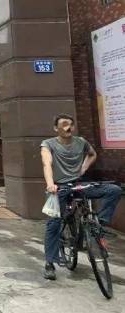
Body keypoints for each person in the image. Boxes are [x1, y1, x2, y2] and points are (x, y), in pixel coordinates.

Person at [41, 114, 121, 280]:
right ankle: (50, 263)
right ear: (56, 128)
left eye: (71, 124)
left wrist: (83, 168)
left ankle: (100, 224)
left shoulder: (81, 142)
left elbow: (92, 154)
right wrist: (50, 184)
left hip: (79, 184)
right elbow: (46, 163)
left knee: (114, 190)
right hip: (59, 187)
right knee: (54, 223)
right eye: (64, 124)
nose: (68, 127)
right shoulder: (48, 144)